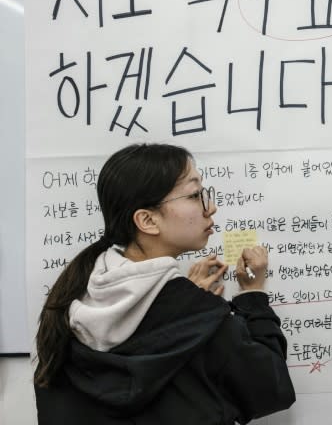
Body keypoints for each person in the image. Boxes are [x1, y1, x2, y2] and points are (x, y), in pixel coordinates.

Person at [34, 143, 295, 424]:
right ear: (147, 220)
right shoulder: (198, 316)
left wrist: (190, 301)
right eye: (195, 195)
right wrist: (252, 295)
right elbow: (271, 388)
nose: (212, 207)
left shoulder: (70, 299)